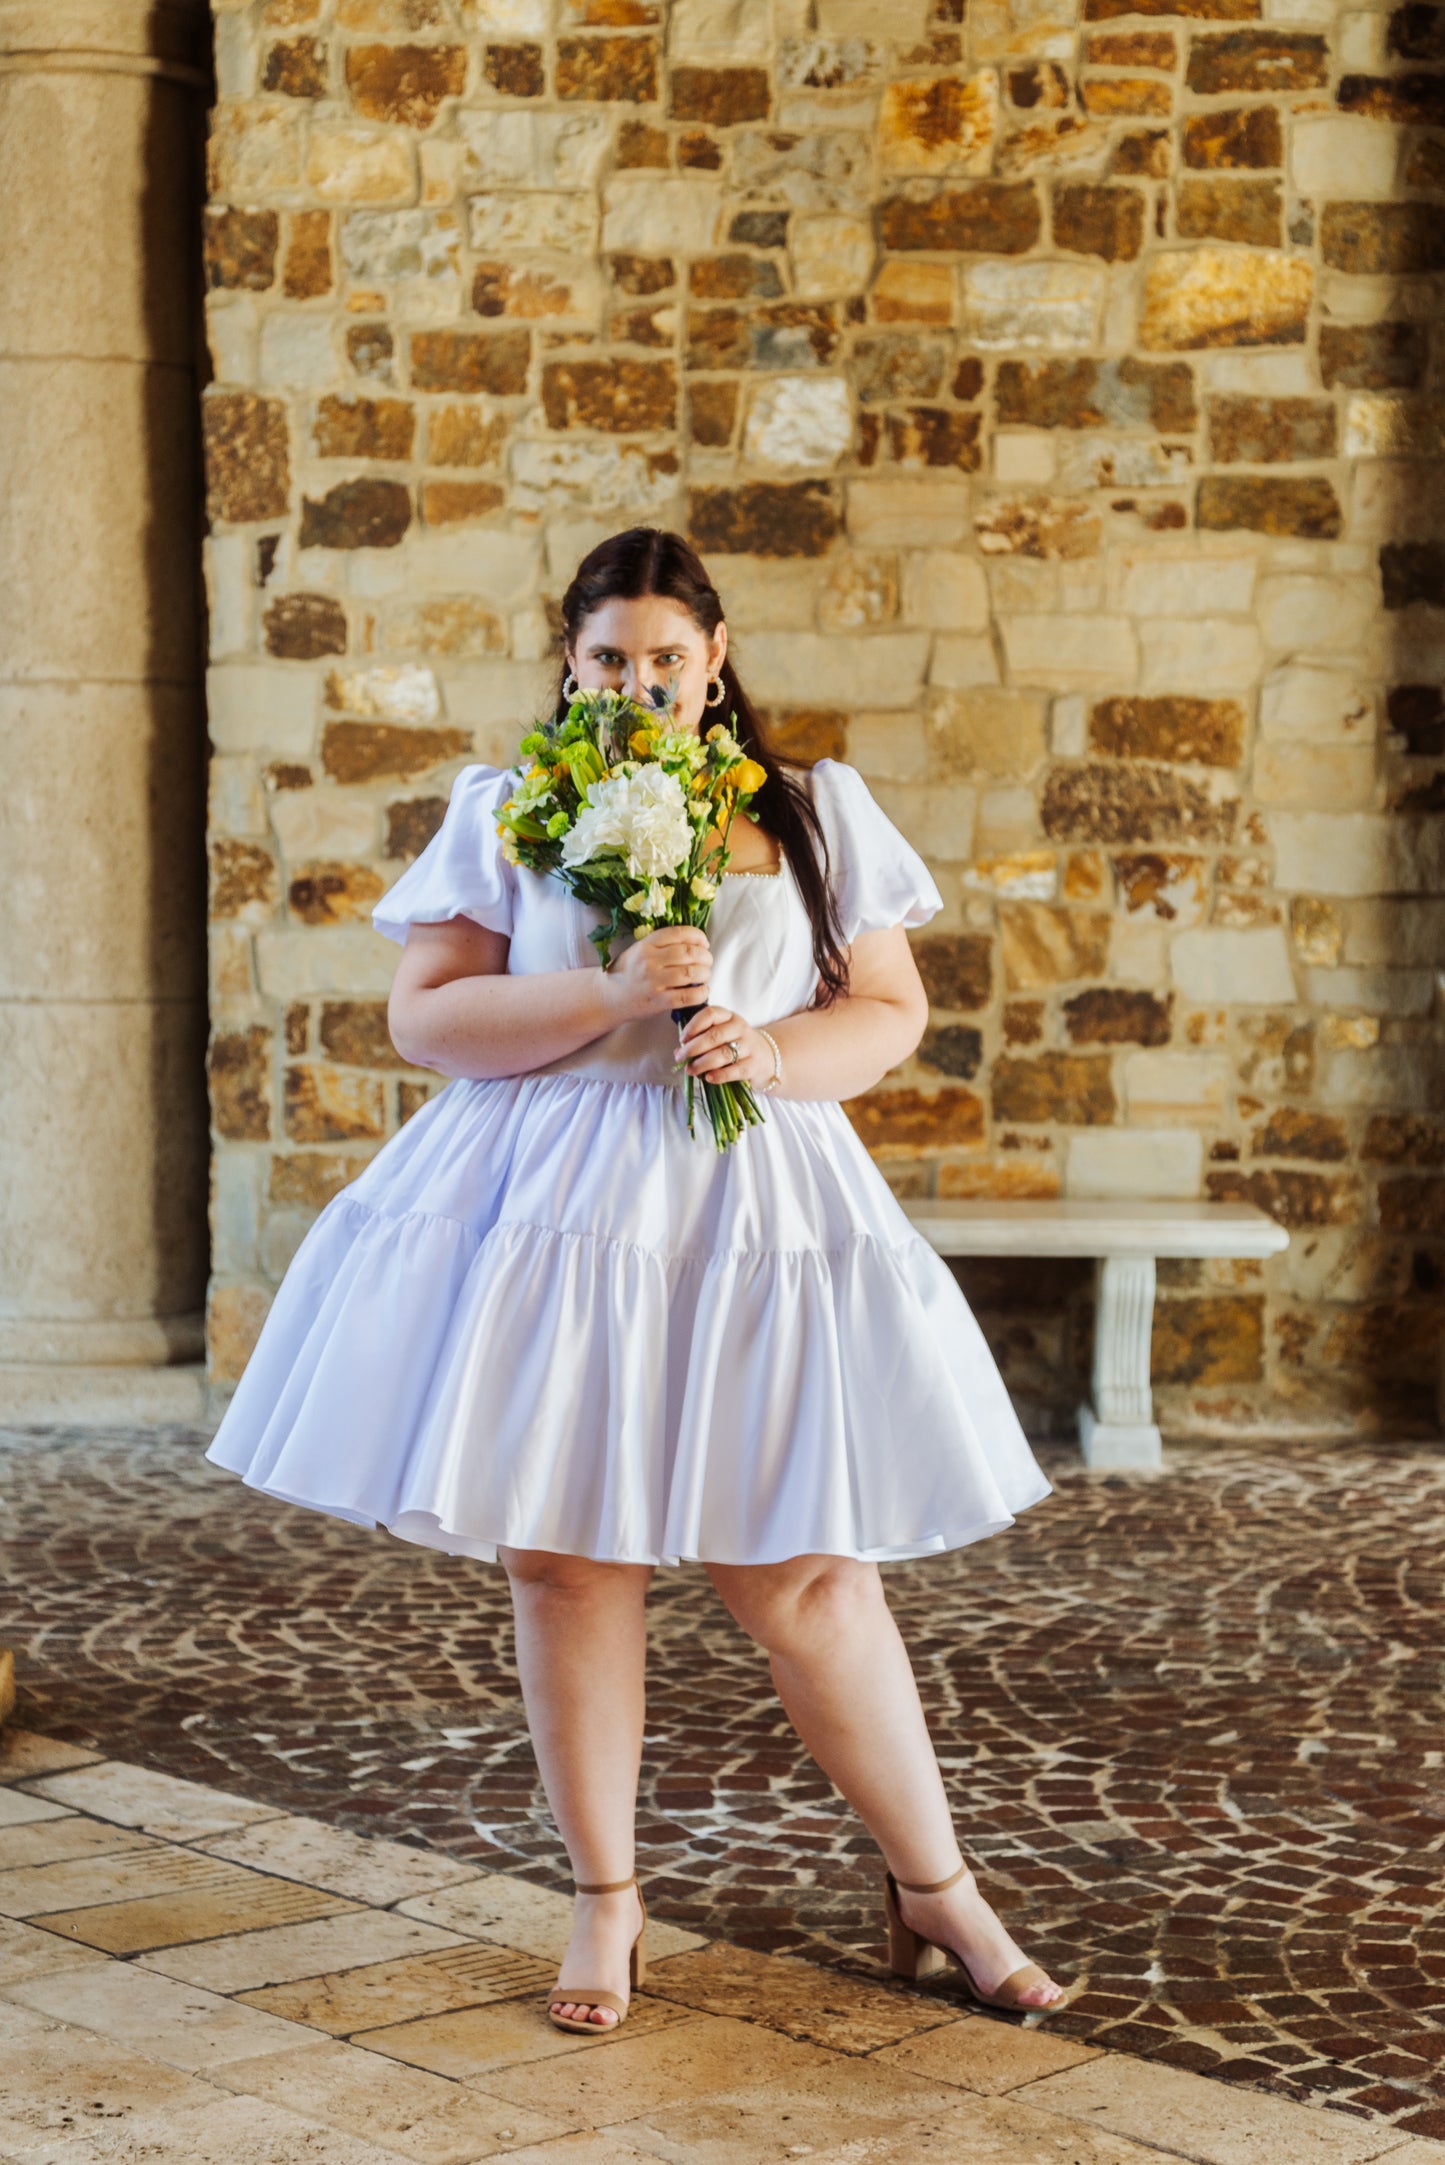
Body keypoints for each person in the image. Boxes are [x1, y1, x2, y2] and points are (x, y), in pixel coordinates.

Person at [206, 525, 1067, 2033]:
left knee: (801, 1568)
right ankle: (606, 1898)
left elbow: (887, 1008)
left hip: (753, 1203)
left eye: (668, 656)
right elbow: (428, 1019)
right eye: (610, 657)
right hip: (552, 1206)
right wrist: (608, 991)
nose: (640, 682)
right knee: (563, 1551)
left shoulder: (809, 812)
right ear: (570, 661)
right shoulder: (510, 810)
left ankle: (935, 1884)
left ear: (714, 657)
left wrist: (771, 1051)